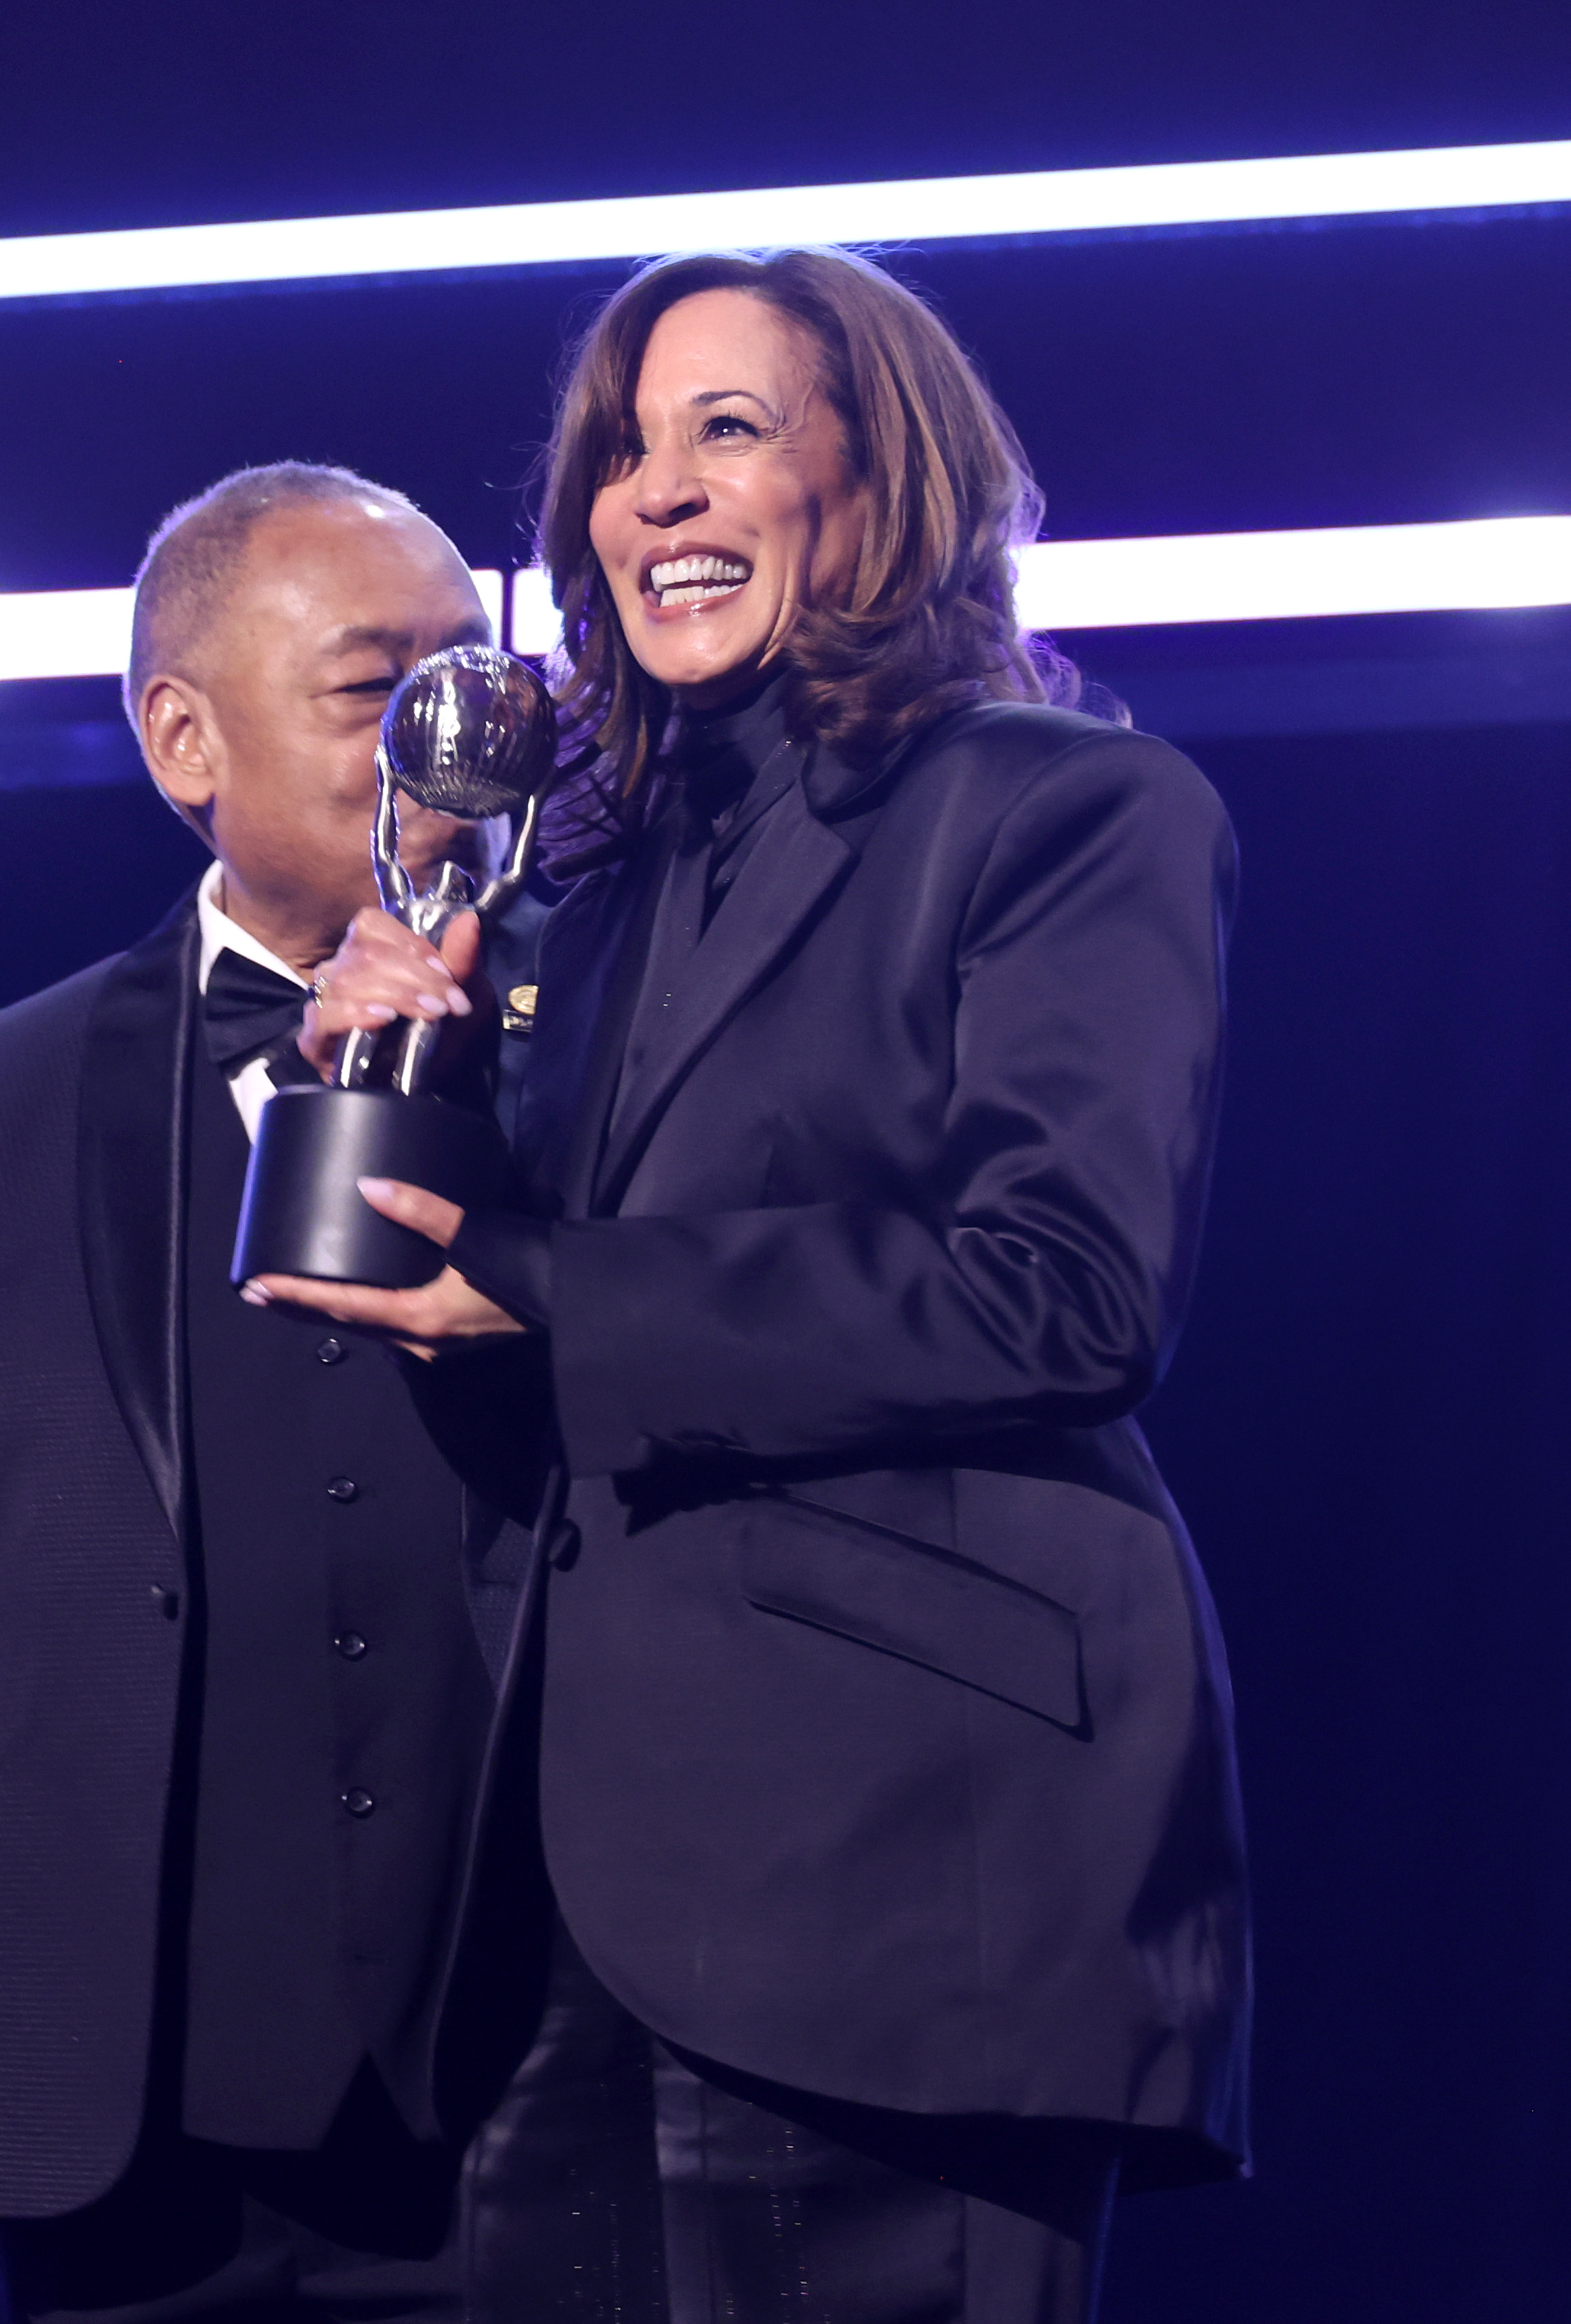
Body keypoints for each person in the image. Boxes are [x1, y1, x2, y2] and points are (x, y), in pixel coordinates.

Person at [266, 249, 1251, 2324]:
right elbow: (498, 1348)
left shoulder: (1070, 811)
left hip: (902, 1869)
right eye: (625, 451)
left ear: (874, 475)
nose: (658, 494)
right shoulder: (580, 881)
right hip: (568, 1902)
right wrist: (409, 1052)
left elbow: (1061, 1292)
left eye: (728, 430)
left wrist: (542, 1284)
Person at [0, 463, 559, 2322]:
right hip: (118, 2140)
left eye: (485, 690)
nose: (458, 747)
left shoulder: (639, 1060)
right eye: (381, 694)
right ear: (183, 739)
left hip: (536, 2104)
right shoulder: (19, 1096)